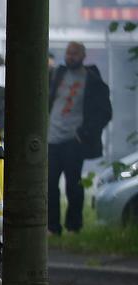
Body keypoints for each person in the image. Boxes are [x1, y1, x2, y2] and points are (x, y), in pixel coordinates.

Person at [48, 41, 112, 235]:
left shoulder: (92, 79)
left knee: (73, 185)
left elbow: (105, 113)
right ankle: (52, 227)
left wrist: (83, 133)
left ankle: (74, 226)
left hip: (73, 141)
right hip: (52, 138)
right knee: (49, 184)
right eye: (68, 53)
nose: (70, 57)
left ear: (83, 56)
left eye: (74, 53)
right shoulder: (57, 75)